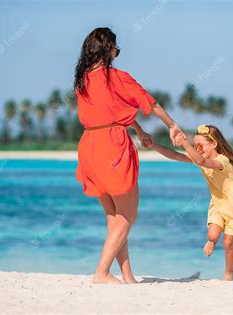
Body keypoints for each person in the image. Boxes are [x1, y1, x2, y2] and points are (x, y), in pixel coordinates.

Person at [74, 27, 185, 284]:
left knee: (114, 217)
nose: (116, 54)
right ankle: (101, 273)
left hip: (89, 144)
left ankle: (126, 276)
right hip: (112, 146)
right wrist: (172, 125)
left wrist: (138, 129)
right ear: (107, 49)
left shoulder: (82, 79)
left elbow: (109, 112)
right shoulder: (116, 76)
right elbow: (150, 102)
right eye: (116, 49)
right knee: (128, 215)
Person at [143, 124, 233, 280]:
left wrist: (185, 143)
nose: (197, 149)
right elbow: (175, 155)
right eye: (194, 145)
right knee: (212, 235)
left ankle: (229, 272)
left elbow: (201, 162)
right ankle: (211, 241)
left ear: (213, 144)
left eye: (200, 145)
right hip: (218, 203)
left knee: (228, 242)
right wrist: (154, 145)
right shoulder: (201, 158)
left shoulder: (221, 161)